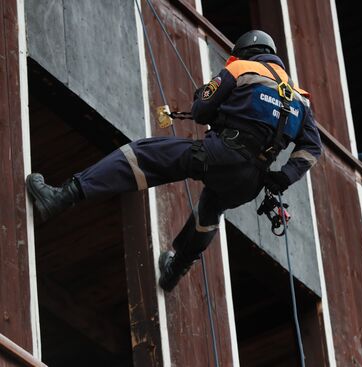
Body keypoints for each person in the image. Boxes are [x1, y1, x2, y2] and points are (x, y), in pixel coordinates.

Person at [26, 30, 322, 292]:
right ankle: (175, 270)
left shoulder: (241, 68)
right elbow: (311, 148)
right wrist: (283, 177)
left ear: (242, 52)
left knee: (143, 154)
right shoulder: (298, 98)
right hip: (252, 181)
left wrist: (208, 104)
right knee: (211, 209)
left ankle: (63, 195)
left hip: (222, 154)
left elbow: (201, 111)